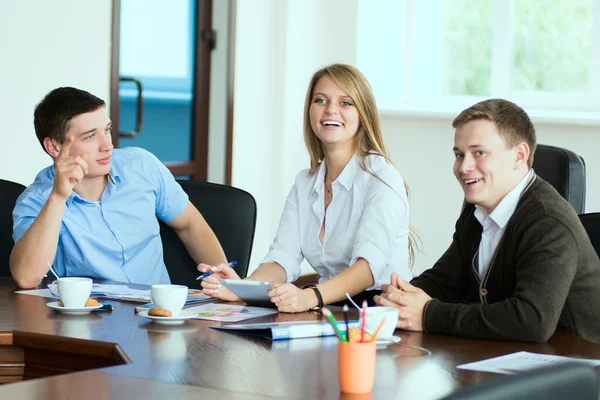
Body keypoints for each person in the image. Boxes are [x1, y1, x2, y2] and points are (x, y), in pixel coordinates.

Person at [375, 99, 600, 343]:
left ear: (519, 155)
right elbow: (445, 281)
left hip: (578, 363)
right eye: (460, 155)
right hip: (514, 356)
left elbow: (532, 320)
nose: (464, 167)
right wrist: (400, 298)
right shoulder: (478, 208)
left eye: (479, 153)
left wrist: (428, 314)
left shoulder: (548, 221)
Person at [199, 64, 416, 313]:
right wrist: (240, 288)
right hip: (329, 310)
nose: (331, 109)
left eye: (346, 103)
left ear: (363, 114)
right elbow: (283, 258)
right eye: (320, 100)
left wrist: (308, 297)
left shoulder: (381, 176)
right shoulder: (305, 183)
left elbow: (367, 269)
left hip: (380, 313)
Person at [10, 87, 227, 288]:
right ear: (54, 147)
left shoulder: (141, 165)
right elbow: (27, 278)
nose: (107, 145)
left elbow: (189, 225)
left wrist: (226, 284)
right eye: (90, 136)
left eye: (107, 130)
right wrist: (58, 198)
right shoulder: (36, 200)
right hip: (89, 321)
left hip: (159, 315)